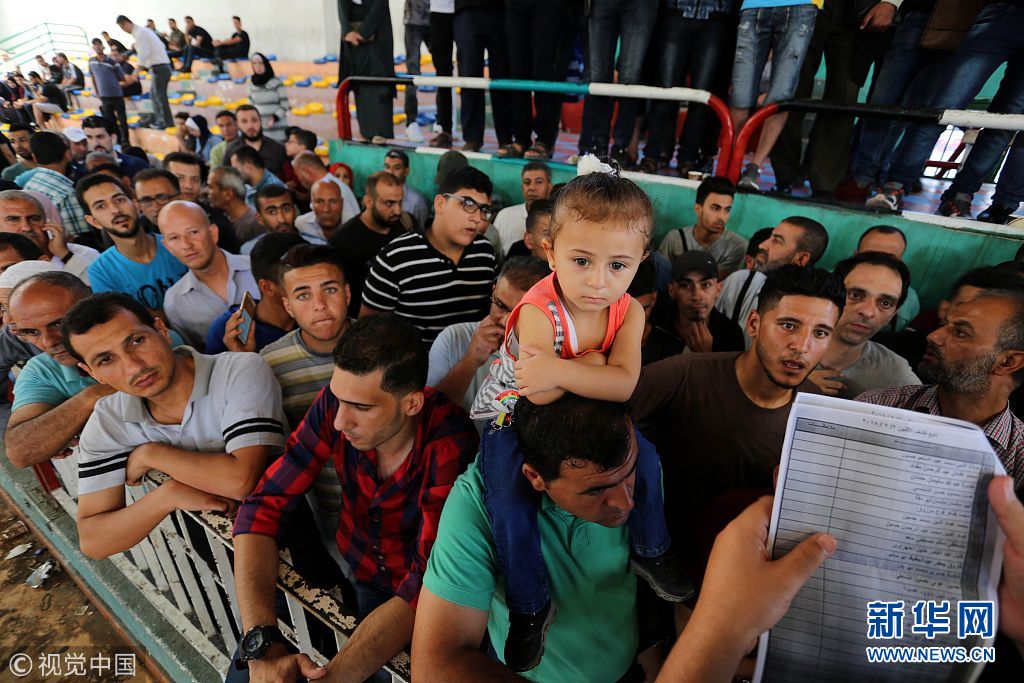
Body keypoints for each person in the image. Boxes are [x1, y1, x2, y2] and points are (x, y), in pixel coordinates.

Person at [469, 167, 690, 670]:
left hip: (584, 407)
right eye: (582, 260)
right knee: (506, 493)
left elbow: (625, 385)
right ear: (551, 253)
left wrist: (570, 368)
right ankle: (529, 603)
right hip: (513, 411)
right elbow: (539, 394)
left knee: (648, 459)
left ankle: (651, 548)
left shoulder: (629, 311)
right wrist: (596, 367)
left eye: (618, 265)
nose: (598, 281)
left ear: (641, 261)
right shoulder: (537, 310)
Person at [231, 314, 477, 680]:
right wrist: (262, 642)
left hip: (429, 598)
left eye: (362, 407)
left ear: (412, 403)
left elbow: (426, 583)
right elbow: (263, 505)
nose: (339, 421)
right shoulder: (337, 404)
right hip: (363, 571)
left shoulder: (449, 445)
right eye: (338, 399)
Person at [413, 395, 650, 681]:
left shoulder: (628, 458)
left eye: (630, 474)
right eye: (596, 491)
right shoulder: (477, 503)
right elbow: (435, 666)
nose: (626, 503)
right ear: (535, 476)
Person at [630, 265, 843, 564]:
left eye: (820, 333)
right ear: (754, 323)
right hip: (663, 561)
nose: (801, 346)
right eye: (788, 325)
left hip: (746, 571)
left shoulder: (817, 413)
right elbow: (600, 418)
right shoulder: (686, 374)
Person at [63, 292, 287, 560]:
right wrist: (168, 495)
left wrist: (152, 454)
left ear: (162, 330)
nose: (133, 366)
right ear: (92, 373)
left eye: (136, 340)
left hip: (289, 532)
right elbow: (94, 541)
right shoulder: (109, 419)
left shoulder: (237, 370)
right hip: (209, 549)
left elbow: (240, 481)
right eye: (106, 360)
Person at [858, 286, 1024, 489]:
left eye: (960, 333)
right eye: (944, 324)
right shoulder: (875, 408)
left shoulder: (1019, 459)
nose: (933, 336)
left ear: (1008, 361)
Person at [361, 166, 497, 343]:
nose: (477, 218)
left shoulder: (485, 252)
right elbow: (368, 333)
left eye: (484, 210)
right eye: (468, 204)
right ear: (440, 204)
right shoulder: (395, 258)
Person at [5, 272, 109, 491]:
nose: (48, 341)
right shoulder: (42, 370)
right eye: (31, 332)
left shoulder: (144, 340)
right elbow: (21, 451)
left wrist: (64, 422)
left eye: (59, 323)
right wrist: (92, 397)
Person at [428, 256, 549, 417]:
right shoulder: (453, 339)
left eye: (519, 315)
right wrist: (471, 360)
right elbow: (428, 416)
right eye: (500, 305)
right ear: (493, 290)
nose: (505, 321)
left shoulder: (550, 356)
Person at [257, 244, 353, 425]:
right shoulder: (270, 363)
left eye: (330, 290)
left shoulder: (384, 345)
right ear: (288, 307)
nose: (320, 305)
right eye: (303, 296)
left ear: (347, 294)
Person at [731, 1, 821, 191]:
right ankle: (734, 163)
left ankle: (754, 167)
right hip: (754, 5)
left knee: (781, 94)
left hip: (802, 6)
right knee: (740, 94)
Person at [640, 1, 735, 175]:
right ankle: (653, 154)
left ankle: (688, 158)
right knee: (665, 91)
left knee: (702, 95)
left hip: (717, 16)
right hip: (676, 11)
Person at [809, 251, 919, 399]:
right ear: (830, 297)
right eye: (855, 295)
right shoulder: (783, 346)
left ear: (892, 316)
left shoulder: (896, 374)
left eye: (885, 303)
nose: (868, 312)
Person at [714, 216, 829, 346]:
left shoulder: (813, 310)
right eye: (770, 237)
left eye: (776, 241)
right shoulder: (742, 281)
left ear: (801, 258)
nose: (762, 245)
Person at [158, 201, 259, 348]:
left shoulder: (257, 267)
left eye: (193, 232)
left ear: (213, 233)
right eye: (174, 238)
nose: (186, 245)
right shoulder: (174, 302)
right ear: (168, 247)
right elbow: (197, 355)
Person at [78, 174, 187, 310]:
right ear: (94, 221)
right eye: (101, 206)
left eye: (120, 200)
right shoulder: (101, 271)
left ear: (135, 204)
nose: (115, 210)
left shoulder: (178, 243)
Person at [576, 0, 657, 168]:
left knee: (630, 79)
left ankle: (621, 148)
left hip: (640, 4)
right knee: (599, 77)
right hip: (601, 4)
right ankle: (598, 145)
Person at [207, 232, 303, 355]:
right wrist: (242, 356)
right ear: (267, 288)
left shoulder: (319, 316)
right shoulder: (229, 333)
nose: (317, 298)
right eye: (301, 284)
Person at [327, 171, 406, 312]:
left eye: (400, 202)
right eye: (389, 203)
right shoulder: (342, 241)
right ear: (369, 201)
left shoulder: (401, 226)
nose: (398, 211)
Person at [650, 250, 745, 355]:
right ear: (672, 290)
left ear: (718, 290)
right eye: (685, 285)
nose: (696, 296)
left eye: (706, 285)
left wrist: (706, 355)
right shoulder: (656, 323)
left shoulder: (731, 334)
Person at [453, 0, 514, 154]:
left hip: (502, 9)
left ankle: (506, 137)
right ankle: (472, 138)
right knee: (469, 75)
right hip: (467, 8)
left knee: (503, 77)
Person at [658, 176, 747, 278]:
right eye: (715, 208)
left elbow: (715, 282)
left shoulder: (736, 246)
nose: (722, 217)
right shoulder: (675, 239)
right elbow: (659, 276)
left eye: (727, 210)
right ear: (698, 209)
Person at [0, 189, 97, 281]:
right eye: (13, 219)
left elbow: (98, 286)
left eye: (34, 219)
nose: (27, 227)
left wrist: (65, 255)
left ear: (47, 223)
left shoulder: (84, 254)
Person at [338, 0, 396, 144]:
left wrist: (363, 32)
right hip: (353, 38)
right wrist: (347, 30)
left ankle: (380, 131)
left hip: (376, 32)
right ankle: (365, 130)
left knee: (379, 82)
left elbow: (380, 5)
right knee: (360, 82)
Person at [22, 132, 91, 238]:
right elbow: (81, 238)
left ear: (34, 158)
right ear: (68, 154)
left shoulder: (29, 185)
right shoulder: (66, 193)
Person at [854, 224, 920, 333]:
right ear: (855, 255)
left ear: (900, 263)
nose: (878, 265)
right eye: (869, 256)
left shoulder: (910, 301)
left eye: (889, 260)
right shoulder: (829, 282)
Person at [115, 15, 173, 131]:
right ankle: (162, 121)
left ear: (126, 23)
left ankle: (165, 123)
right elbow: (161, 46)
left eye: (122, 27)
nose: (123, 30)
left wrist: (136, 72)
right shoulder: (145, 31)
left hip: (159, 67)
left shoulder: (140, 33)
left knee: (159, 97)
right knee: (156, 96)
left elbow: (144, 54)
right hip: (162, 66)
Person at [627, 257, 687, 365]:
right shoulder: (600, 340)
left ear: (654, 299)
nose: (633, 317)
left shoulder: (672, 349)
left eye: (643, 309)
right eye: (624, 310)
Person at [492, 161, 552, 255]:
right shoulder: (504, 216)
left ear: (549, 187)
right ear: (522, 188)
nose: (532, 187)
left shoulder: (557, 218)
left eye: (539, 182)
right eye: (527, 182)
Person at [291, 151, 360, 223]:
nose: (299, 180)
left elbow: (349, 222)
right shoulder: (333, 184)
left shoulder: (334, 188)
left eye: (298, 175)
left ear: (307, 172)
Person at [224, 104, 287, 177]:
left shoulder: (278, 149)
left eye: (254, 120)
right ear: (237, 124)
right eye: (244, 121)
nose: (250, 126)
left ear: (260, 121)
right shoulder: (231, 150)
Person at [207, 166, 263, 245]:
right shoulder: (224, 218)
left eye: (210, 187)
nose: (206, 191)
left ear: (228, 194)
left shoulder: (256, 224)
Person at [87, 39, 129, 144]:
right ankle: (117, 141)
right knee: (110, 121)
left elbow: (123, 78)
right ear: (93, 48)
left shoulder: (112, 62)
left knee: (122, 120)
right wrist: (97, 92)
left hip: (117, 95)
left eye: (99, 44)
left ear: (103, 46)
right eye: (95, 45)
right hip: (104, 96)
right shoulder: (91, 62)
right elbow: (93, 77)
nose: (97, 47)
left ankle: (126, 142)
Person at [82, 115, 149, 179]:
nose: (95, 143)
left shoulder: (136, 165)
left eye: (100, 137)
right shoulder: (81, 171)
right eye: (89, 137)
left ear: (113, 138)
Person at [427, 0, 456, 148]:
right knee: (442, 73)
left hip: (469, 9)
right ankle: (445, 129)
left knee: (470, 70)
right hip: (439, 11)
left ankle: (473, 136)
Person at [402, 0, 431, 143]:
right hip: (413, 19)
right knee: (412, 72)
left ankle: (444, 122)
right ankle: (411, 122)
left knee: (444, 68)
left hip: (438, 17)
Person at [243, 185, 299, 253]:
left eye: (286, 210)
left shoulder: (310, 243)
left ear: (295, 212)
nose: (282, 219)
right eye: (272, 212)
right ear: (260, 218)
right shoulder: (249, 250)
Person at [247, 53, 289, 143]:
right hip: (260, 128)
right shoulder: (251, 84)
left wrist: (275, 117)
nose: (257, 66)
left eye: (260, 63)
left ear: (265, 64)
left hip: (277, 128)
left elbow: (285, 105)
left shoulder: (276, 82)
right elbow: (251, 105)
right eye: (254, 63)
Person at [384, 148, 428, 228]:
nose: (390, 172)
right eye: (387, 167)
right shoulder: (378, 195)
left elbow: (421, 232)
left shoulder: (416, 202)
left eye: (397, 168)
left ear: (406, 171)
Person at [295, 178, 346, 245]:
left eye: (333, 201)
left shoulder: (355, 226)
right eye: (319, 201)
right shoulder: (299, 225)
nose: (326, 209)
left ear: (342, 203)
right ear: (311, 203)